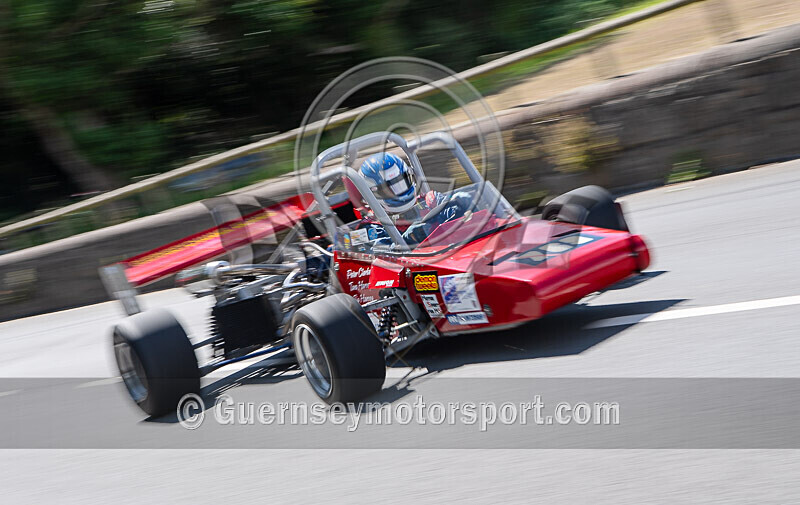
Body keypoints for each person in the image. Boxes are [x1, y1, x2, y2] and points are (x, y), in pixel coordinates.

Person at [353, 153, 472, 247]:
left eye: (401, 183)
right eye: (389, 189)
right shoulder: (369, 228)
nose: (399, 192)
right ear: (372, 193)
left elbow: (453, 207)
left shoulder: (430, 200)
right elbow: (381, 256)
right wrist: (410, 239)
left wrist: (461, 202)